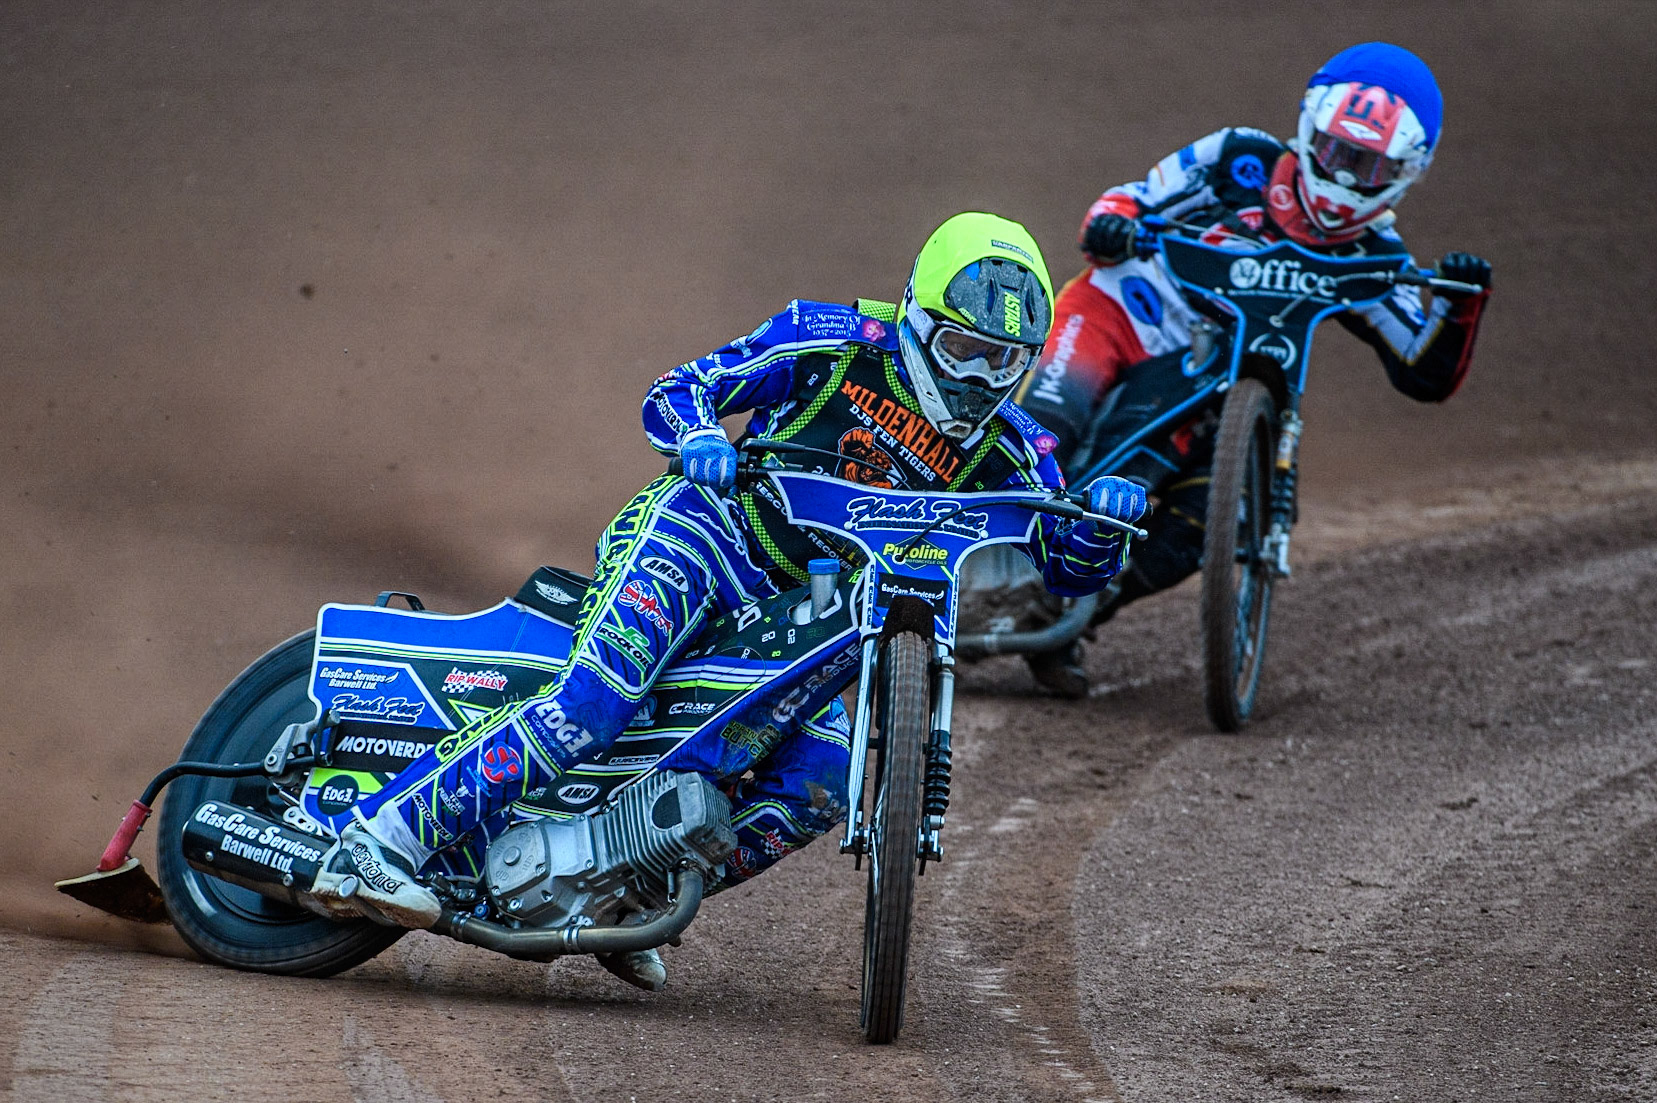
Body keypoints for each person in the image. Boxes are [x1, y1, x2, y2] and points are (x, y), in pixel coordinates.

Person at [304, 212, 1150, 989]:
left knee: (821, 777)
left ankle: (620, 888)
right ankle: (379, 837)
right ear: (917, 322)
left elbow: (1063, 568)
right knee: (595, 700)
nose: (980, 377)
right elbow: (678, 388)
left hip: (809, 614)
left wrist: (1104, 521)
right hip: (707, 535)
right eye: (964, 349)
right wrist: (701, 436)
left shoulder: (1019, 446)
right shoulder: (829, 339)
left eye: (1004, 360)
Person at [1016, 42, 1494, 696]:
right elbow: (1121, 202)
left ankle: (1070, 613)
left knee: (1200, 524)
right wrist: (1114, 225)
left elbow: (1422, 369)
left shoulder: (1374, 257)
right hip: (1120, 310)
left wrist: (1460, 310)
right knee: (1041, 434)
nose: (1345, 179)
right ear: (1306, 130)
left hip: (1212, 382)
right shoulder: (1237, 157)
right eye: (1335, 154)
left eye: (1369, 167)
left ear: (1407, 173)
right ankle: (931, 562)